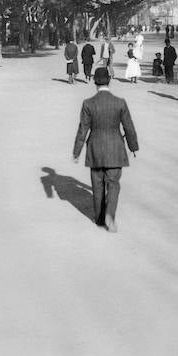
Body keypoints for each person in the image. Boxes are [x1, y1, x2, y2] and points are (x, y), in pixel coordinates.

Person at [71, 68, 139, 233]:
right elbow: (129, 127)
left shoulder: (88, 103)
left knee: (97, 184)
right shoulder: (120, 102)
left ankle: (100, 218)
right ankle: (110, 214)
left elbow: (83, 129)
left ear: (95, 83)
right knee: (113, 184)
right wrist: (133, 146)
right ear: (109, 81)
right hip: (115, 149)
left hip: (95, 149)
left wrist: (76, 151)